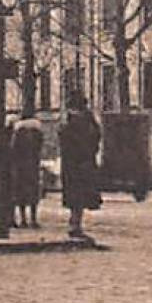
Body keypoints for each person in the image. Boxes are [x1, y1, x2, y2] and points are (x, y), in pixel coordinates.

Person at [59, 92, 102, 238]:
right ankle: (75, 224)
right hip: (84, 161)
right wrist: (91, 150)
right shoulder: (86, 119)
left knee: (73, 195)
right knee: (81, 195)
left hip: (69, 162)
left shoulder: (65, 120)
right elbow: (96, 135)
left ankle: (74, 223)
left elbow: (62, 140)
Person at [10, 114, 44, 228]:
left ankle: (23, 219)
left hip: (20, 166)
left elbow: (13, 148)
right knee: (33, 193)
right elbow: (39, 147)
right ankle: (33, 219)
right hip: (32, 166)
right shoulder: (37, 132)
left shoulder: (18, 132)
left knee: (21, 194)